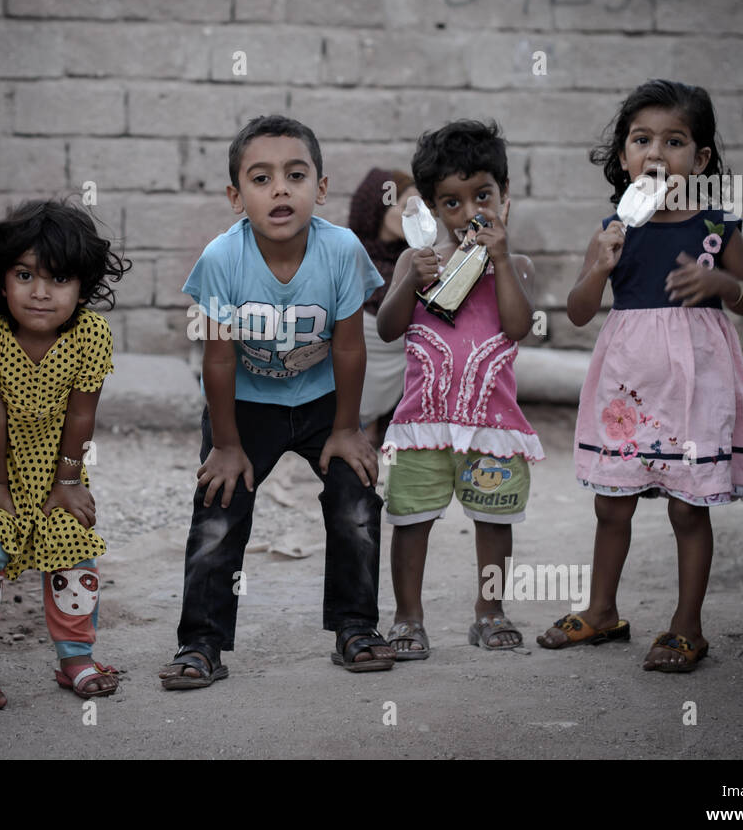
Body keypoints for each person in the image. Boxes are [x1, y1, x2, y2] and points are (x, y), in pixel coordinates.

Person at [158, 114, 395, 690]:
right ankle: (202, 643)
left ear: (321, 187)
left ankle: (356, 627)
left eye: (295, 174)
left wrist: (348, 430)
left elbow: (348, 347)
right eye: (261, 179)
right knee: (218, 511)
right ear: (237, 197)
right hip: (244, 407)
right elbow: (216, 359)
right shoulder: (223, 258)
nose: (280, 188)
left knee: (355, 499)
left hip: (323, 403)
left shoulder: (341, 251)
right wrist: (227, 444)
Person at [537, 80, 743, 673]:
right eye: (642, 140)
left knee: (688, 509)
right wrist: (599, 265)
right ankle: (603, 610)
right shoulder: (615, 228)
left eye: (675, 141)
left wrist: (723, 285)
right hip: (628, 388)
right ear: (622, 158)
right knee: (614, 503)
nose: (657, 153)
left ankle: (688, 625)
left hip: (694, 387)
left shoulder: (716, 228)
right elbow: (581, 311)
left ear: (701, 159)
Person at [375, 120, 543, 659]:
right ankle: (407, 618)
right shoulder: (415, 261)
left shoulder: (514, 265)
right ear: (431, 208)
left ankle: (489, 611)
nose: (469, 210)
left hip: (491, 425)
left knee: (494, 523)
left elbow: (517, 326)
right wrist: (409, 281)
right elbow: (386, 327)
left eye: (483, 195)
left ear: (504, 196)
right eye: (451, 201)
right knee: (411, 521)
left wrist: (499, 260)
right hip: (422, 421)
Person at [0, 200, 130, 706]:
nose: (40, 293)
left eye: (58, 279)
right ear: (3, 278)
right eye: (25, 275)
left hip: (60, 462)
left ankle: (76, 659)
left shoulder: (90, 335)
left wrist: (69, 483)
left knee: (74, 544)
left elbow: (81, 417)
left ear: (84, 286)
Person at [346, 168, 413, 447]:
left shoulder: (416, 263)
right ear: (375, 206)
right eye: (404, 205)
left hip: (396, 378)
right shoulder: (345, 256)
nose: (412, 215)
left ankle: (377, 422)